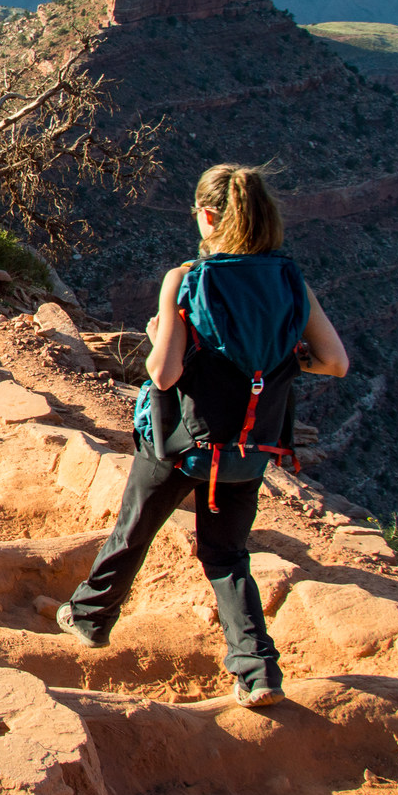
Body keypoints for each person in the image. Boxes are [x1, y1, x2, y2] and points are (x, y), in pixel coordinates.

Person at [55, 163, 349, 707]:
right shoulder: (291, 282)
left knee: (134, 529)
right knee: (228, 556)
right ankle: (257, 671)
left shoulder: (188, 278)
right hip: (250, 446)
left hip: (182, 444)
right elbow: (335, 362)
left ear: (209, 216)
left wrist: (158, 334)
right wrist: (285, 361)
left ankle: (90, 618)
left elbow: (162, 374)